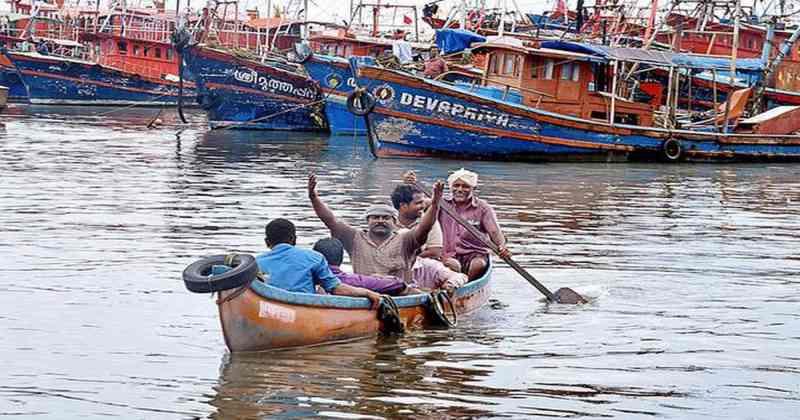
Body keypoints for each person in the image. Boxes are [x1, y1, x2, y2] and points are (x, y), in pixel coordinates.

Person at [308, 174, 443, 283]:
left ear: (394, 221)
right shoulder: (355, 238)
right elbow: (330, 220)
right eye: (375, 217)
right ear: (368, 221)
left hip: (399, 295)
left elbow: (424, 227)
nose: (380, 221)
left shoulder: (405, 239)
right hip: (364, 294)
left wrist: (435, 203)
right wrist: (314, 197)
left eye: (385, 218)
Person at [256, 218, 381, 309]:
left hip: (268, 308)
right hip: (304, 310)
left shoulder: (255, 263)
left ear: (267, 242)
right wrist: (367, 293)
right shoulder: (314, 258)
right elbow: (337, 289)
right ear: (293, 239)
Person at [439, 168, 510, 280]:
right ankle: (455, 284)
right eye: (456, 186)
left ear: (473, 188)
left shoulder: (482, 208)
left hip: (475, 253)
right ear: (451, 187)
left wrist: (502, 247)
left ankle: (467, 284)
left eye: (465, 186)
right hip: (448, 253)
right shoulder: (441, 204)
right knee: (451, 265)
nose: (460, 189)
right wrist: (414, 184)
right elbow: (424, 204)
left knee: (477, 265)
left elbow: (494, 232)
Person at [313, 237, 422, 296]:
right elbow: (397, 284)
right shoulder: (350, 280)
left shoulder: (304, 279)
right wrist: (382, 278)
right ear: (340, 259)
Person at [390, 183, 443, 260]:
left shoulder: (430, 221)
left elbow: (434, 252)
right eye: (418, 203)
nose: (423, 206)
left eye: (423, 202)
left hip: (422, 265)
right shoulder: (389, 222)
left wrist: (406, 259)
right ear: (403, 206)